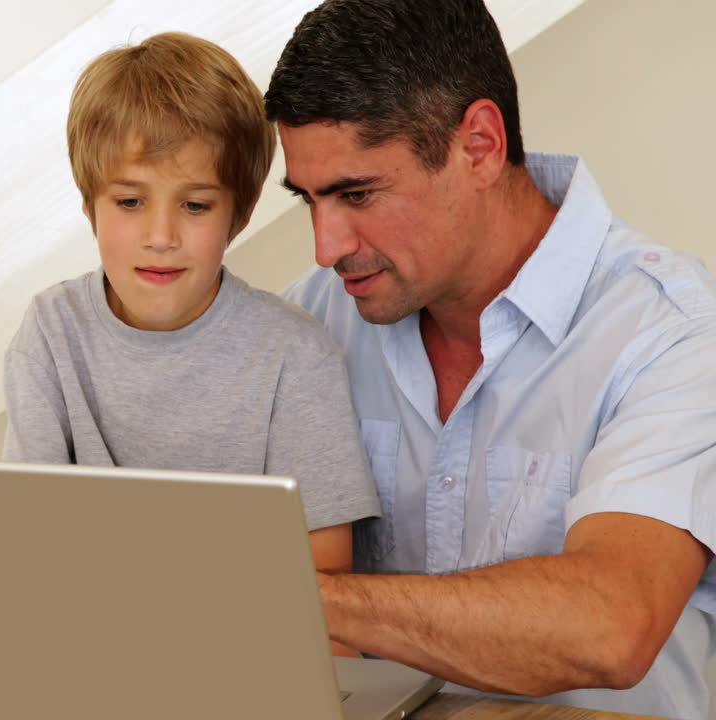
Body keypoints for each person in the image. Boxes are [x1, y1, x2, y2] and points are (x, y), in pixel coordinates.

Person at [0, 31, 382, 652]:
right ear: (89, 206)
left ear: (238, 217)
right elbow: (29, 556)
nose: (160, 235)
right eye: (130, 201)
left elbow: (332, 604)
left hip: (246, 658)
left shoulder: (296, 354)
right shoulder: (51, 333)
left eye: (195, 206)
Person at [263, 0, 716, 717]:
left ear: (478, 144)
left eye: (357, 194)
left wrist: (286, 593)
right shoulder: (308, 324)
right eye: (308, 201)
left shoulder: (672, 332)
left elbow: (611, 627)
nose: (328, 246)